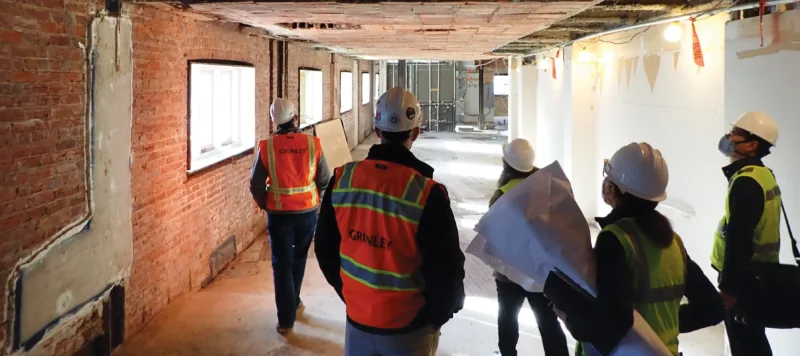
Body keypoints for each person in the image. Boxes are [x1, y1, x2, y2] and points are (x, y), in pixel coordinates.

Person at [314, 87, 465, 356]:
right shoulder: (427, 193)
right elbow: (447, 271)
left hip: (358, 323)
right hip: (409, 331)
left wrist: (352, 296)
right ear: (415, 133)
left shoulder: (342, 179)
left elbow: (325, 250)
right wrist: (434, 318)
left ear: (378, 130)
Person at [558, 142, 724, 356]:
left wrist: (571, 318)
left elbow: (613, 322)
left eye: (608, 180)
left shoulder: (615, 239)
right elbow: (713, 308)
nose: (605, 184)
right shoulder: (674, 242)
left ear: (615, 190)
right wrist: (665, 323)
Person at [249, 98, 331, 334]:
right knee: (299, 257)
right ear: (295, 118)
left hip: (279, 214)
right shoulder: (313, 144)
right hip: (307, 212)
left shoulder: (267, 147)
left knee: (281, 263)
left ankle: (286, 319)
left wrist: (265, 203)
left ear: (275, 121)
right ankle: (293, 301)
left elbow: (255, 184)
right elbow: (324, 179)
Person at [490, 138, 568, 356]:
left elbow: (494, 235)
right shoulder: (547, 188)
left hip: (509, 272)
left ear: (506, 164)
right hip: (540, 272)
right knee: (547, 320)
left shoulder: (502, 194)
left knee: (507, 318)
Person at [712, 112, 781, 355]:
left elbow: (739, 240)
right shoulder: (762, 174)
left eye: (735, 134)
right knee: (754, 342)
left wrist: (729, 289)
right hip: (758, 277)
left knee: (746, 346)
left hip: (744, 282)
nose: (728, 138)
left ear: (752, 145)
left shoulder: (746, 182)